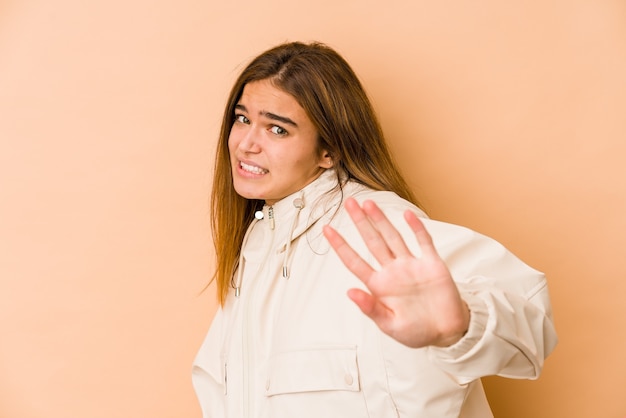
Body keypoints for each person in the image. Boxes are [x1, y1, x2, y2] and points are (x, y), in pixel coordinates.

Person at [192, 41, 557, 418]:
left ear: (328, 151)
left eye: (277, 129)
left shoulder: (375, 226)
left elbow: (532, 319)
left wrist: (462, 326)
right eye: (242, 118)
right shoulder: (258, 250)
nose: (247, 144)